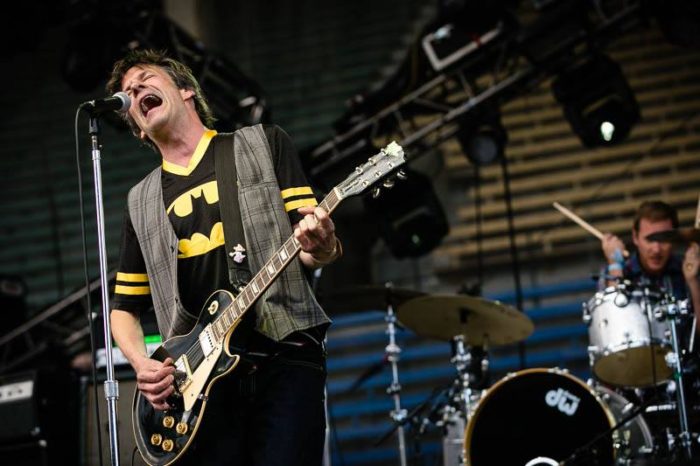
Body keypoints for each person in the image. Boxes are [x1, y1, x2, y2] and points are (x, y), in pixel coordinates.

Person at [106, 49, 341, 466]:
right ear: (139, 130)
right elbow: (123, 308)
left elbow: (311, 249)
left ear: (186, 91)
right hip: (197, 386)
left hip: (283, 356)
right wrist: (142, 364)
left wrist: (322, 246)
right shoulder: (139, 201)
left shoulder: (263, 144)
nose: (136, 89)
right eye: (128, 91)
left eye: (146, 79)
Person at [601, 201, 700, 328]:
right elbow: (611, 328)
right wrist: (615, 267)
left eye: (663, 239)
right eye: (649, 239)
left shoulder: (689, 268)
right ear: (635, 237)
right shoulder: (614, 273)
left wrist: (692, 281)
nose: (656, 249)